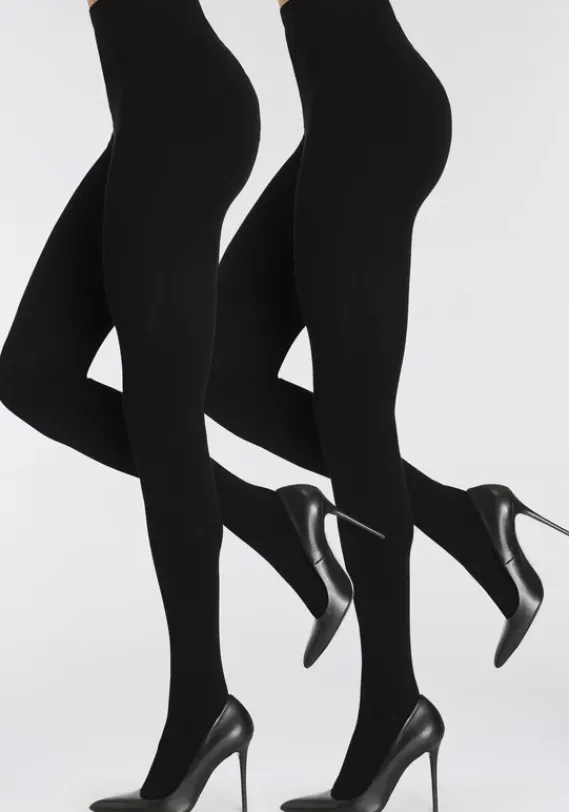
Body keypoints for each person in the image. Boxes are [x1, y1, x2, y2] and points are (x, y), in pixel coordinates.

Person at [0, 2, 567, 812]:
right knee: (96, 375)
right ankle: (388, 521)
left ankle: (370, 707)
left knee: (332, 412)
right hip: (237, 106)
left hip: (332, 110)